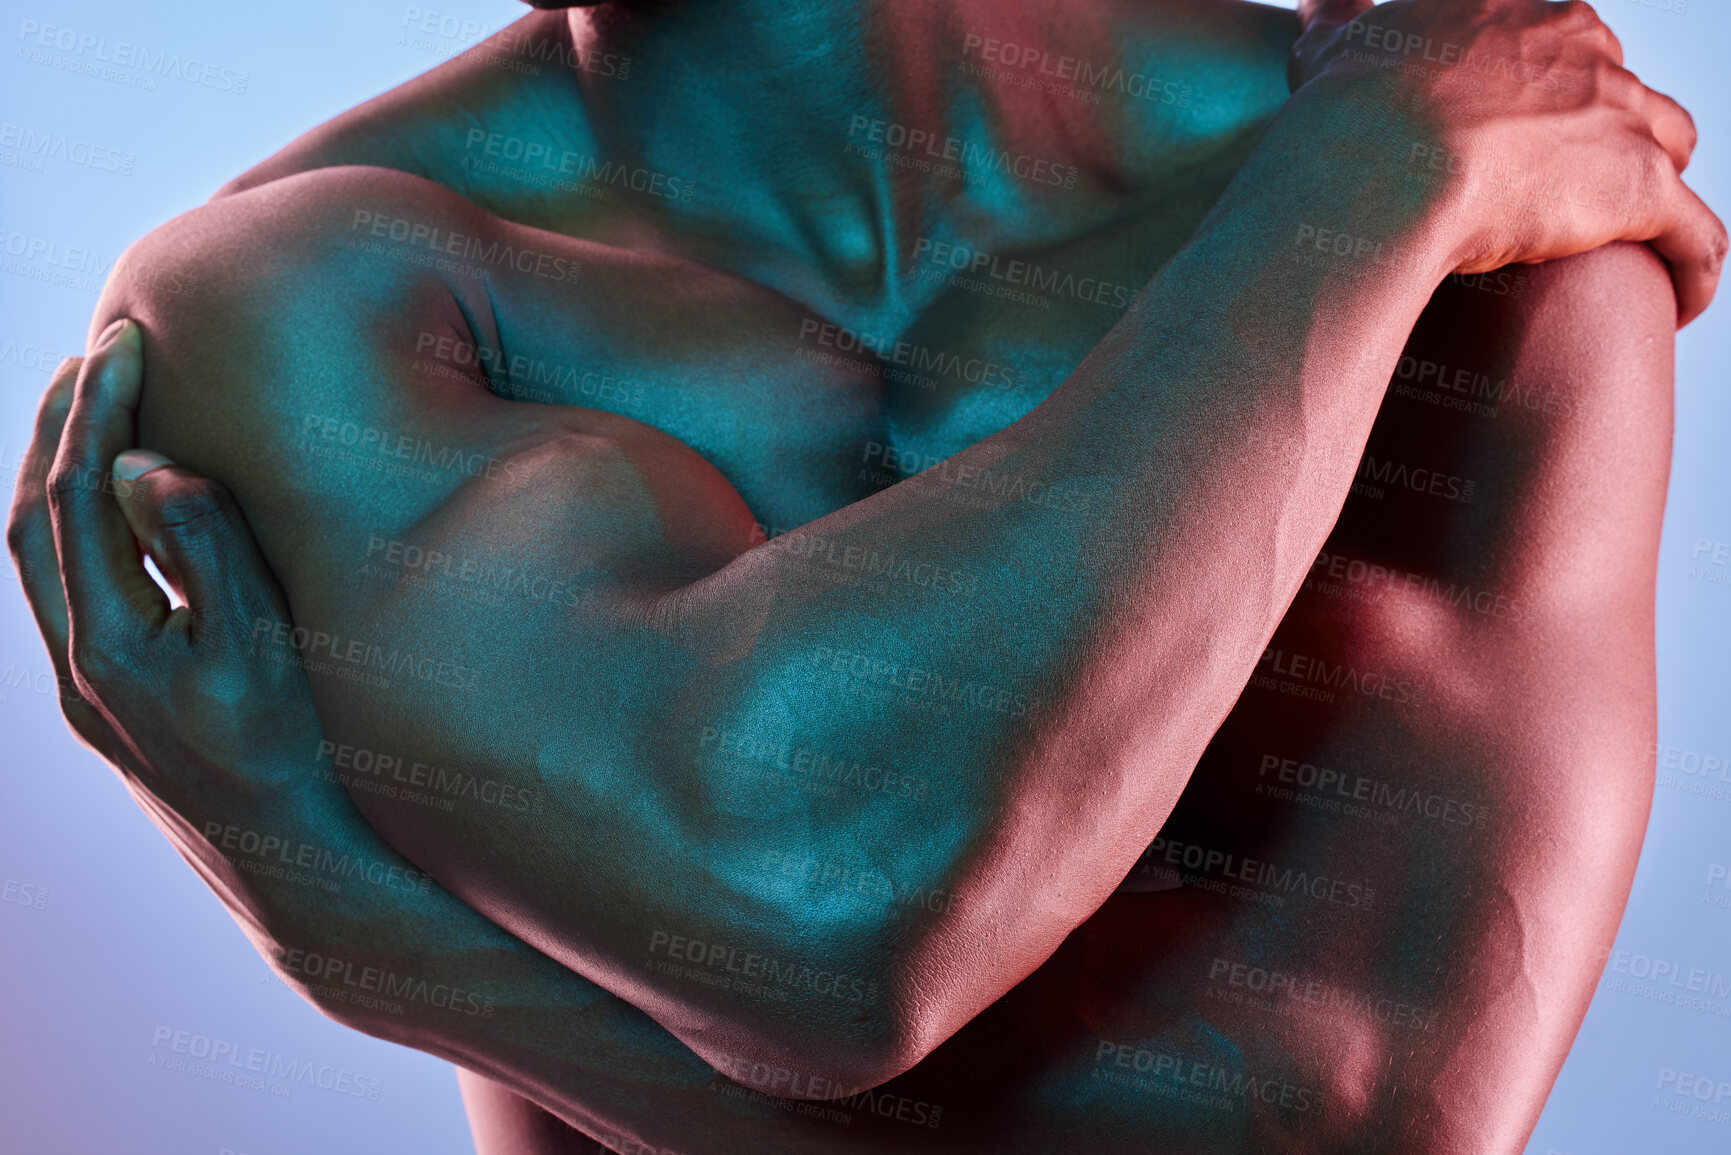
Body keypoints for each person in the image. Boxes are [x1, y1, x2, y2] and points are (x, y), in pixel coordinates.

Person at [7, 0, 1721, 1151]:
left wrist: (385, 943)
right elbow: (819, 913)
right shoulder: (305, 284)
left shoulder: (1485, 150)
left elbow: (1343, 1113)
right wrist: (1357, 198)